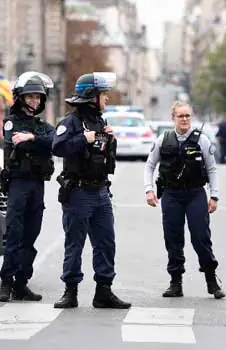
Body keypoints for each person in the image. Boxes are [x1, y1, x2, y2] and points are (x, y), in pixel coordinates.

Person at [51, 72, 131, 309]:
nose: (106, 99)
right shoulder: (70, 122)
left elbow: (104, 156)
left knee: (106, 242)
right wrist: (82, 140)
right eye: (103, 95)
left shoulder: (101, 122)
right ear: (91, 96)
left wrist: (110, 140)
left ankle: (104, 292)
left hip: (101, 192)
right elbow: (58, 147)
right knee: (74, 243)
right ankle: (70, 291)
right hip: (78, 193)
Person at [144, 101, 226, 299]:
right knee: (173, 239)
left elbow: (212, 168)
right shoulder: (163, 139)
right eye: (180, 116)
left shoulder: (202, 140)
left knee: (201, 237)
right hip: (171, 195)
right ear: (173, 118)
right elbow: (149, 165)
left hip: (195, 194)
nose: (185, 119)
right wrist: (149, 190)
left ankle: (211, 280)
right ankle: (176, 282)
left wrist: (214, 195)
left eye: (188, 116)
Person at [0, 72, 56, 302]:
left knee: (31, 236)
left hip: (37, 185)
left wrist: (32, 139)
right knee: (14, 234)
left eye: (38, 98)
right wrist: (36, 141)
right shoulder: (12, 122)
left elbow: (55, 143)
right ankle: (6, 282)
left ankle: (21, 284)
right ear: (21, 98)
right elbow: (14, 141)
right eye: (30, 97)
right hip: (19, 183)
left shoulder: (42, 126)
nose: (34, 101)